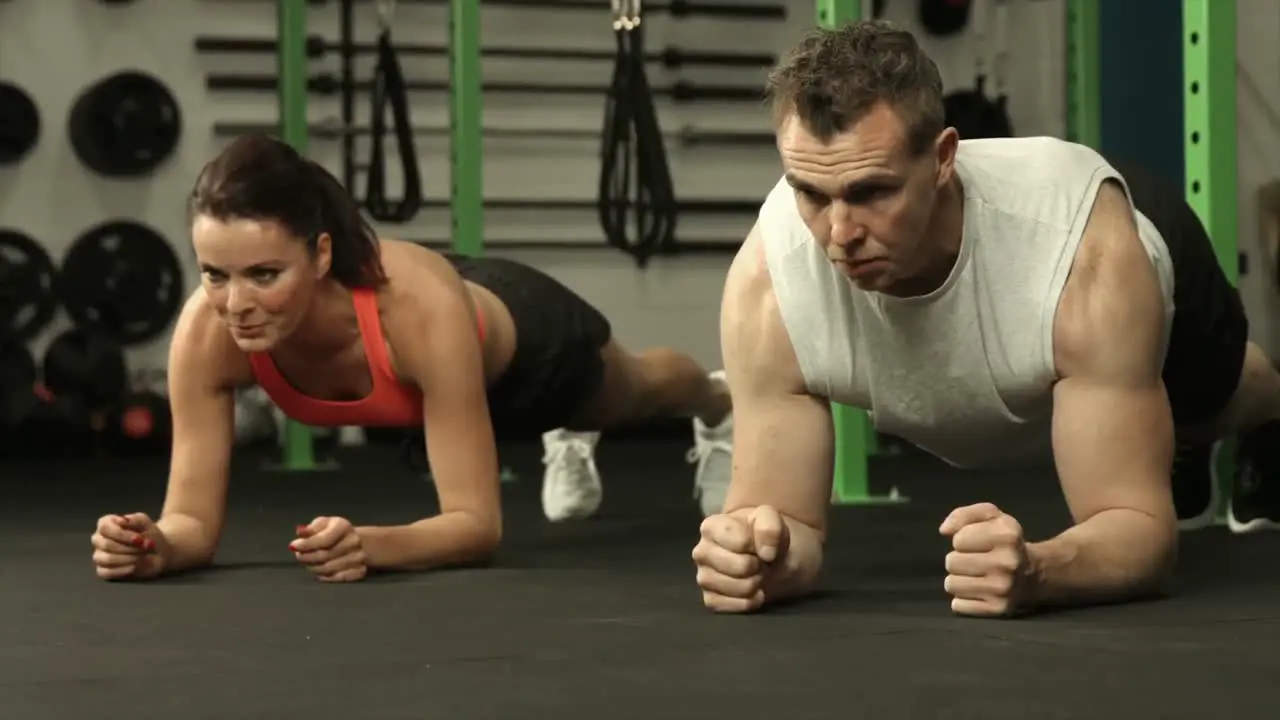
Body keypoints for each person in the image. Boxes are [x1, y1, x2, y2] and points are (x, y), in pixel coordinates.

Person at [691, 20, 1280, 618]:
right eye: (811, 194)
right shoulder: (770, 284)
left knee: (1217, 402)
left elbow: (1138, 530)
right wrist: (758, 558)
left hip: (1130, 245)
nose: (839, 235)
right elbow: (786, 523)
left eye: (873, 192)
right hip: (1043, 319)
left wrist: (1040, 570)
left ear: (945, 157)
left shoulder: (1081, 254)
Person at [89, 134, 734, 583]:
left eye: (263, 274)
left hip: (523, 350)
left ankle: (719, 403)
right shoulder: (208, 333)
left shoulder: (416, 310)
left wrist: (374, 545)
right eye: (215, 274)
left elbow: (476, 526)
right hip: (435, 362)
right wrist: (157, 546)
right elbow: (193, 523)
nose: (236, 304)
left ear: (319, 255)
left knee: (638, 393)